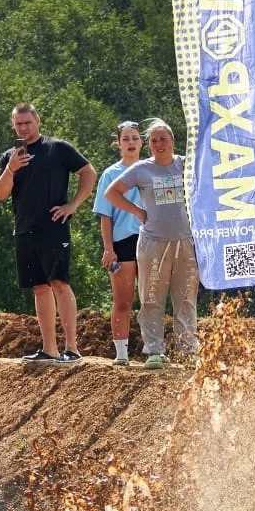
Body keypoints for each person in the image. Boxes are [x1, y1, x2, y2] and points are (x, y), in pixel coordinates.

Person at [0, 103, 96, 363]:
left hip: (53, 226)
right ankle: (49, 349)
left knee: (59, 283)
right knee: (39, 287)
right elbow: (0, 193)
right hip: (24, 228)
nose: (23, 128)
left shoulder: (57, 148)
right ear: (13, 125)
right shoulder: (9, 156)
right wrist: (11, 169)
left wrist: (73, 205)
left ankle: (72, 348)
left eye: (27, 122)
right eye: (18, 124)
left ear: (37, 120)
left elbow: (88, 172)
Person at [105, 120, 199, 369]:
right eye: (154, 140)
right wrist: (137, 211)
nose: (159, 144)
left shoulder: (186, 164)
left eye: (163, 139)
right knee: (151, 297)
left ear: (172, 141)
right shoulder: (141, 169)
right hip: (152, 243)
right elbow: (111, 193)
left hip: (186, 241)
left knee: (186, 297)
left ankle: (189, 349)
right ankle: (155, 350)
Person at [94, 121, 145, 364]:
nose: (131, 143)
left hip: (150, 239)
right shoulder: (111, 174)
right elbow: (105, 215)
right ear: (119, 144)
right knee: (123, 300)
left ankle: (154, 350)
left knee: (151, 299)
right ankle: (121, 353)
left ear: (142, 142)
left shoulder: (152, 169)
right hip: (122, 240)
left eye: (135, 138)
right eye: (126, 139)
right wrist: (108, 248)